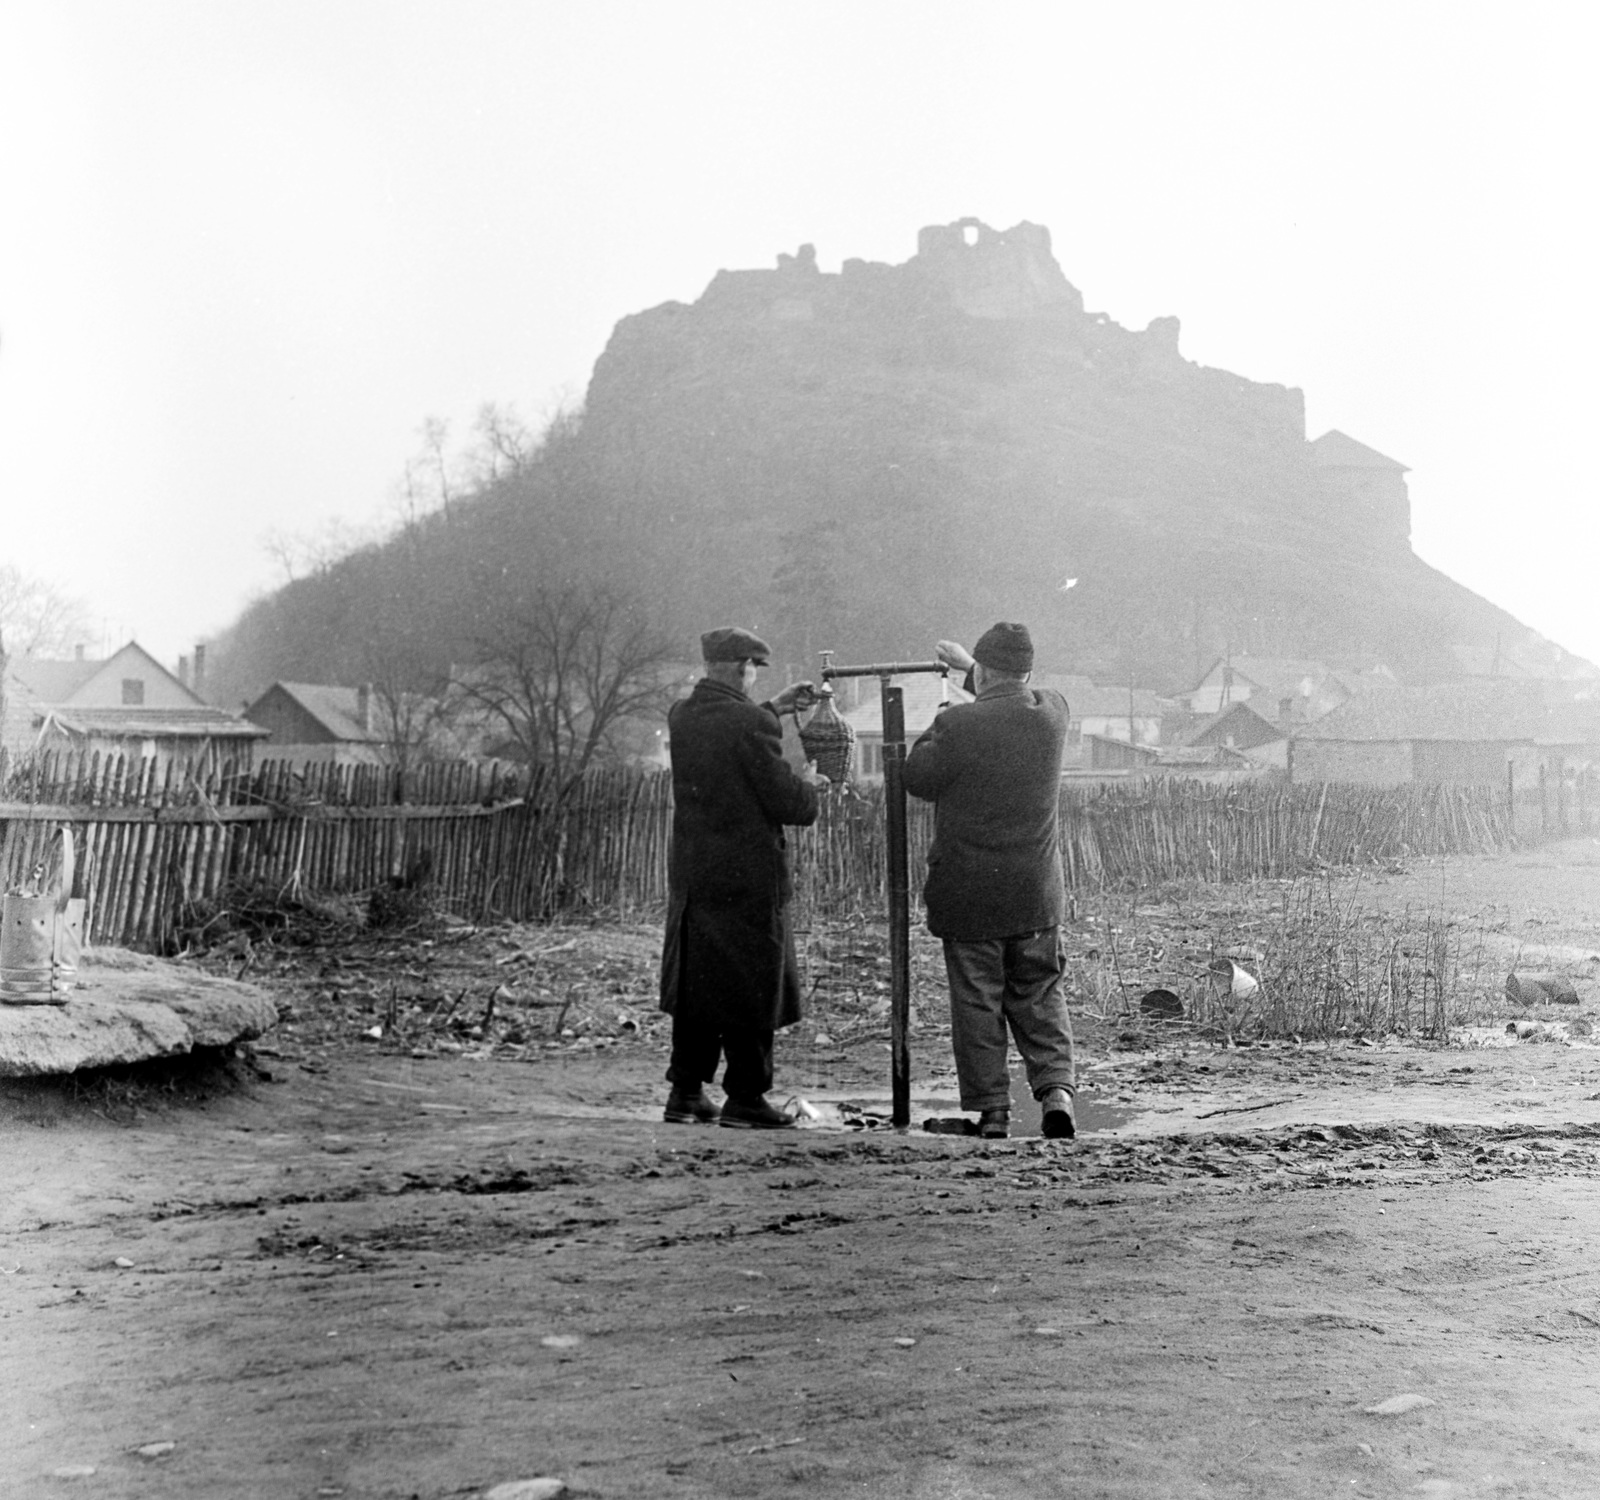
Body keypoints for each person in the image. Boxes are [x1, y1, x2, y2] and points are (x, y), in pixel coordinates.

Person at [903, 622, 1077, 1140]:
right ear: (1028, 669)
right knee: (1041, 995)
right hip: (1035, 894)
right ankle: (1057, 1095)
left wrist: (936, 726)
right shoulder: (1054, 714)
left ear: (980, 669)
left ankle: (992, 1112)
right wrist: (970, 671)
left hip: (970, 895)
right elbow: (1012, 696)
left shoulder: (958, 725)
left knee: (978, 1002)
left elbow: (917, 778)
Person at [659, 626, 827, 1129]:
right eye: (753, 668)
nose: (754, 677)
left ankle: (686, 1093)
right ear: (740, 667)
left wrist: (771, 708)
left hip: (696, 878)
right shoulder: (750, 724)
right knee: (754, 987)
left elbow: (728, 732)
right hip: (749, 880)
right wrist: (812, 787)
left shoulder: (684, 715)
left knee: (698, 987)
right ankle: (747, 1097)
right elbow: (786, 802)